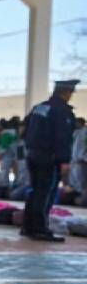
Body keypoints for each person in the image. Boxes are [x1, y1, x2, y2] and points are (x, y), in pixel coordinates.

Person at [21, 79, 77, 242]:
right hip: (48, 156)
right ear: (64, 92)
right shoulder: (62, 111)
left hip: (33, 153)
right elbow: (62, 137)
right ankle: (40, 228)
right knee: (45, 192)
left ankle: (28, 226)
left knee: (34, 190)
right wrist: (64, 160)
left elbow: (25, 131)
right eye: (70, 93)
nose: (70, 96)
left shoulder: (39, 108)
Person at [70, 117, 87, 194]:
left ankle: (82, 195)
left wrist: (84, 157)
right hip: (73, 159)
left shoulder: (85, 132)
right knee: (74, 178)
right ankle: (75, 195)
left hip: (81, 160)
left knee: (81, 179)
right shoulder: (75, 132)